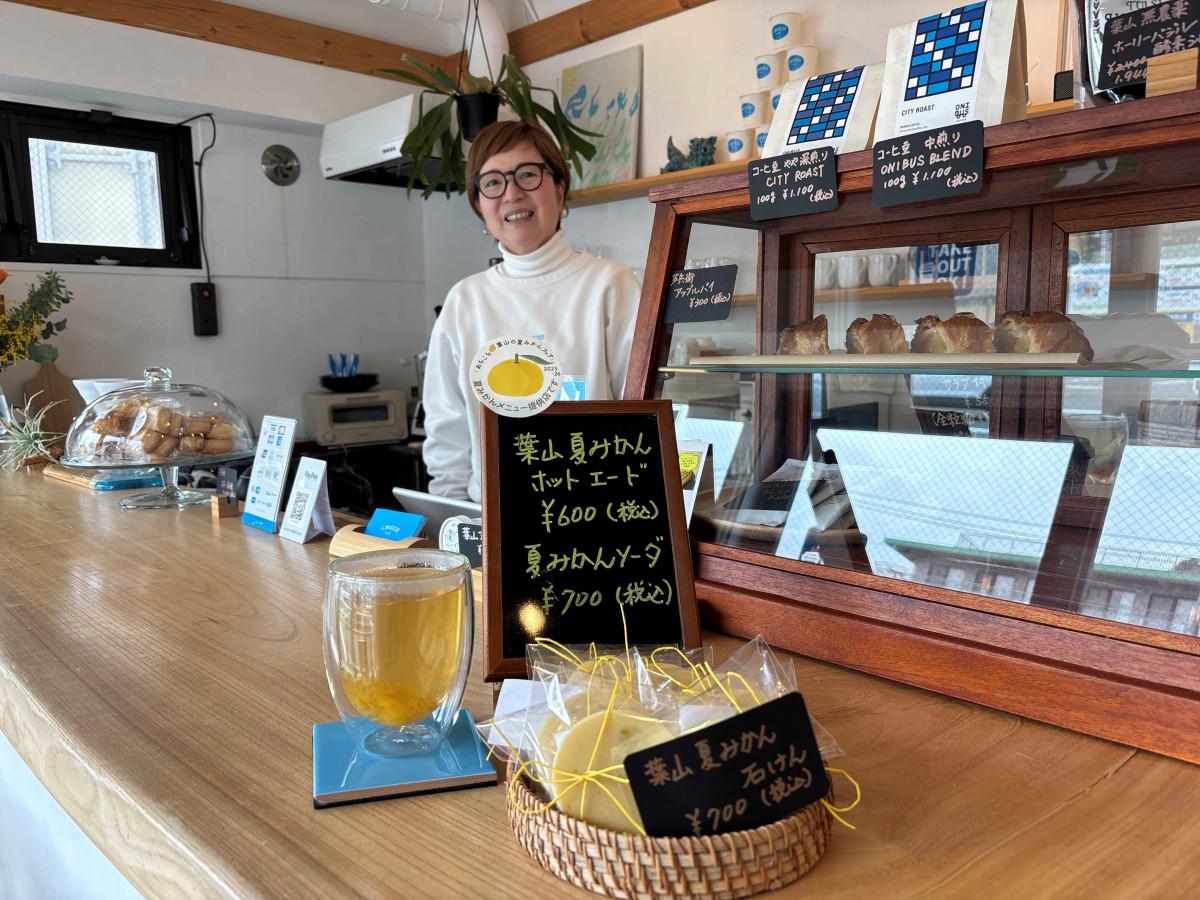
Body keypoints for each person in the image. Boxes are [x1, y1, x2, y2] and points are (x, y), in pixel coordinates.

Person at [422, 121, 643, 502]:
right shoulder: (465, 300)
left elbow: (640, 413)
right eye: (492, 182)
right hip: (489, 518)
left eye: (527, 175)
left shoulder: (611, 285)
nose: (512, 194)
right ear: (479, 204)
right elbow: (448, 431)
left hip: (592, 513)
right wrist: (454, 520)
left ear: (559, 187)